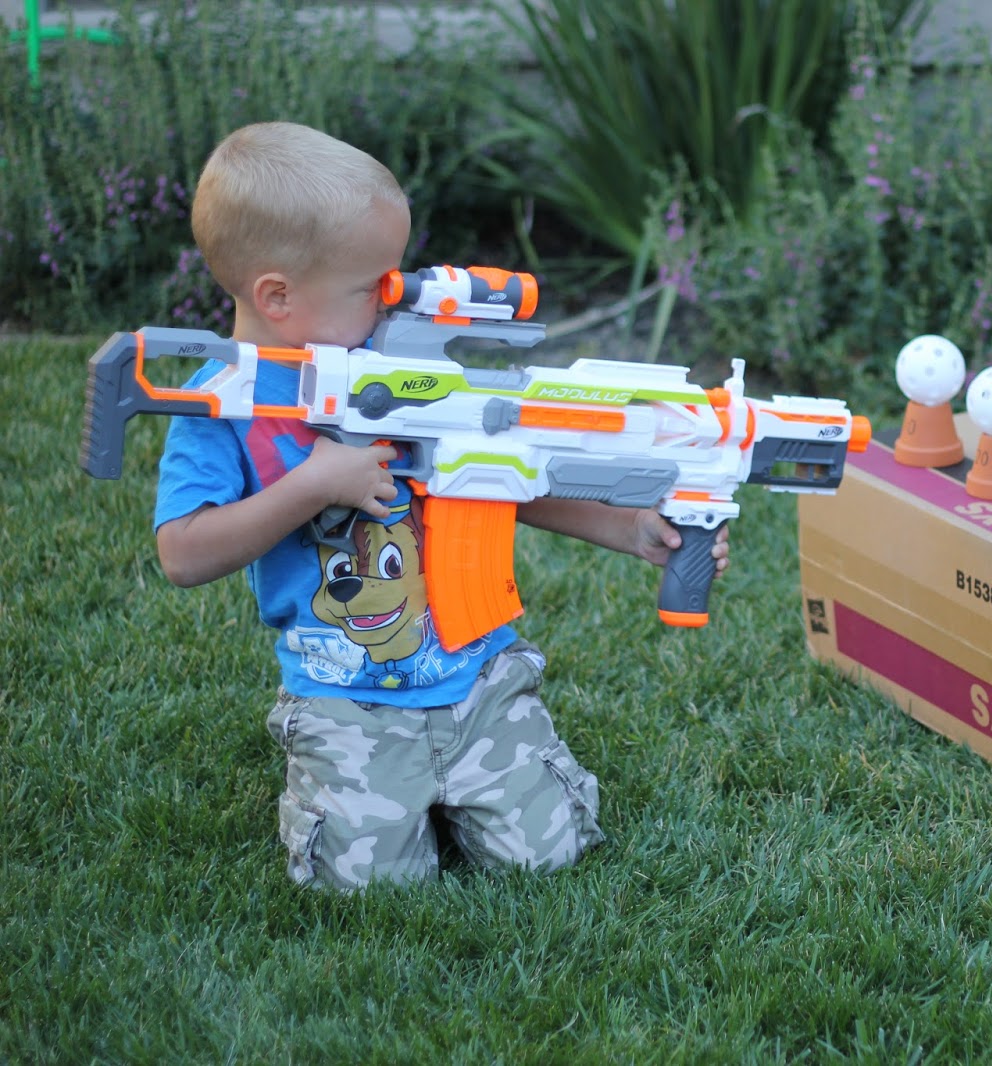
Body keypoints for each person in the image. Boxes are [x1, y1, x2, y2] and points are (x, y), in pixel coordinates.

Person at [155, 121, 728, 889]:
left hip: (479, 685)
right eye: (373, 287)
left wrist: (628, 528)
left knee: (550, 856)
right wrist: (314, 484)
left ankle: (456, 788)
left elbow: (499, 478)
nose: (396, 299)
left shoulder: (399, 373)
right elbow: (183, 552)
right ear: (278, 297)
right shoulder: (223, 404)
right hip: (346, 702)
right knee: (365, 890)